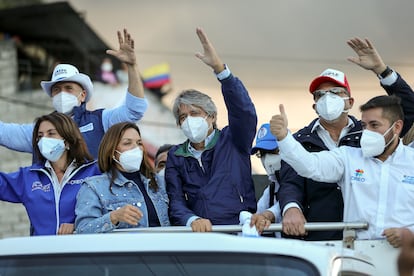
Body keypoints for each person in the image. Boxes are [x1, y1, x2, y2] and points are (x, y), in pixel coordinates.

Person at [278, 37, 414, 241]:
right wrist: (292, 207)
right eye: (320, 95)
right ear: (314, 105)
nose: (327, 98)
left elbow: (407, 109)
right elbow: (299, 174)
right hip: (325, 239)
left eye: (335, 92)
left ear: (349, 101)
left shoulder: (369, 135)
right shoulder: (303, 141)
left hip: (393, 251)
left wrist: (382, 71)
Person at [270, 95, 414, 247]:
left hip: (405, 256)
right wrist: (284, 138)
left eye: (375, 125)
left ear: (397, 127)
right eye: (364, 126)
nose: (368, 132)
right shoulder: (349, 156)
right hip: (357, 255)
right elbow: (310, 165)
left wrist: (409, 234)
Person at [0, 28, 148, 158]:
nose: (62, 93)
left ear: (83, 95)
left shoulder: (101, 120)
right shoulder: (40, 131)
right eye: (56, 89)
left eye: (68, 88)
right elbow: (4, 133)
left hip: (93, 190)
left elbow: (134, 110)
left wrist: (132, 66)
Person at [165, 27, 257, 232]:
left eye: (195, 113)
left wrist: (221, 71)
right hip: (200, 235)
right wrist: (191, 220)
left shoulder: (233, 139)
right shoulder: (176, 155)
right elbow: (175, 200)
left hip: (239, 230)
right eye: (183, 117)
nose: (189, 120)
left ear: (212, 116)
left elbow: (244, 112)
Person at [0, 112, 100, 235]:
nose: (44, 140)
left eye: (51, 134)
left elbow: (110, 211)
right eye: (40, 136)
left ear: (67, 141)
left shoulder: (94, 171)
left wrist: (79, 225)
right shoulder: (29, 177)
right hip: (43, 252)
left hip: (82, 251)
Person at [75, 122, 170, 233]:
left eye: (139, 143)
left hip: (163, 248)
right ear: (112, 151)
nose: (136, 148)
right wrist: (113, 217)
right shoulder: (94, 187)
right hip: (123, 250)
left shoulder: (160, 182)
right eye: (127, 143)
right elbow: (83, 230)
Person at [249, 123, 282, 237]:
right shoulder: (271, 190)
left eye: (273, 151)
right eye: (262, 154)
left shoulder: (304, 180)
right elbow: (258, 216)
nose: (267, 158)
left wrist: (269, 214)